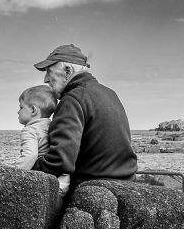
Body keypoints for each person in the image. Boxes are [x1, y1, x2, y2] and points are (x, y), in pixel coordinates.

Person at [31, 44, 137, 187]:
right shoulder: (110, 93)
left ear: (68, 70)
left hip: (94, 187)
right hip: (127, 183)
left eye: (49, 72)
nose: (45, 79)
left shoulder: (73, 99)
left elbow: (60, 161)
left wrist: (29, 172)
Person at [14, 85, 70, 194]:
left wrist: (13, 175)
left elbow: (30, 155)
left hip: (44, 178)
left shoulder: (30, 130)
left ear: (34, 110)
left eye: (21, 107)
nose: (18, 112)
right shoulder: (53, 126)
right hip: (63, 177)